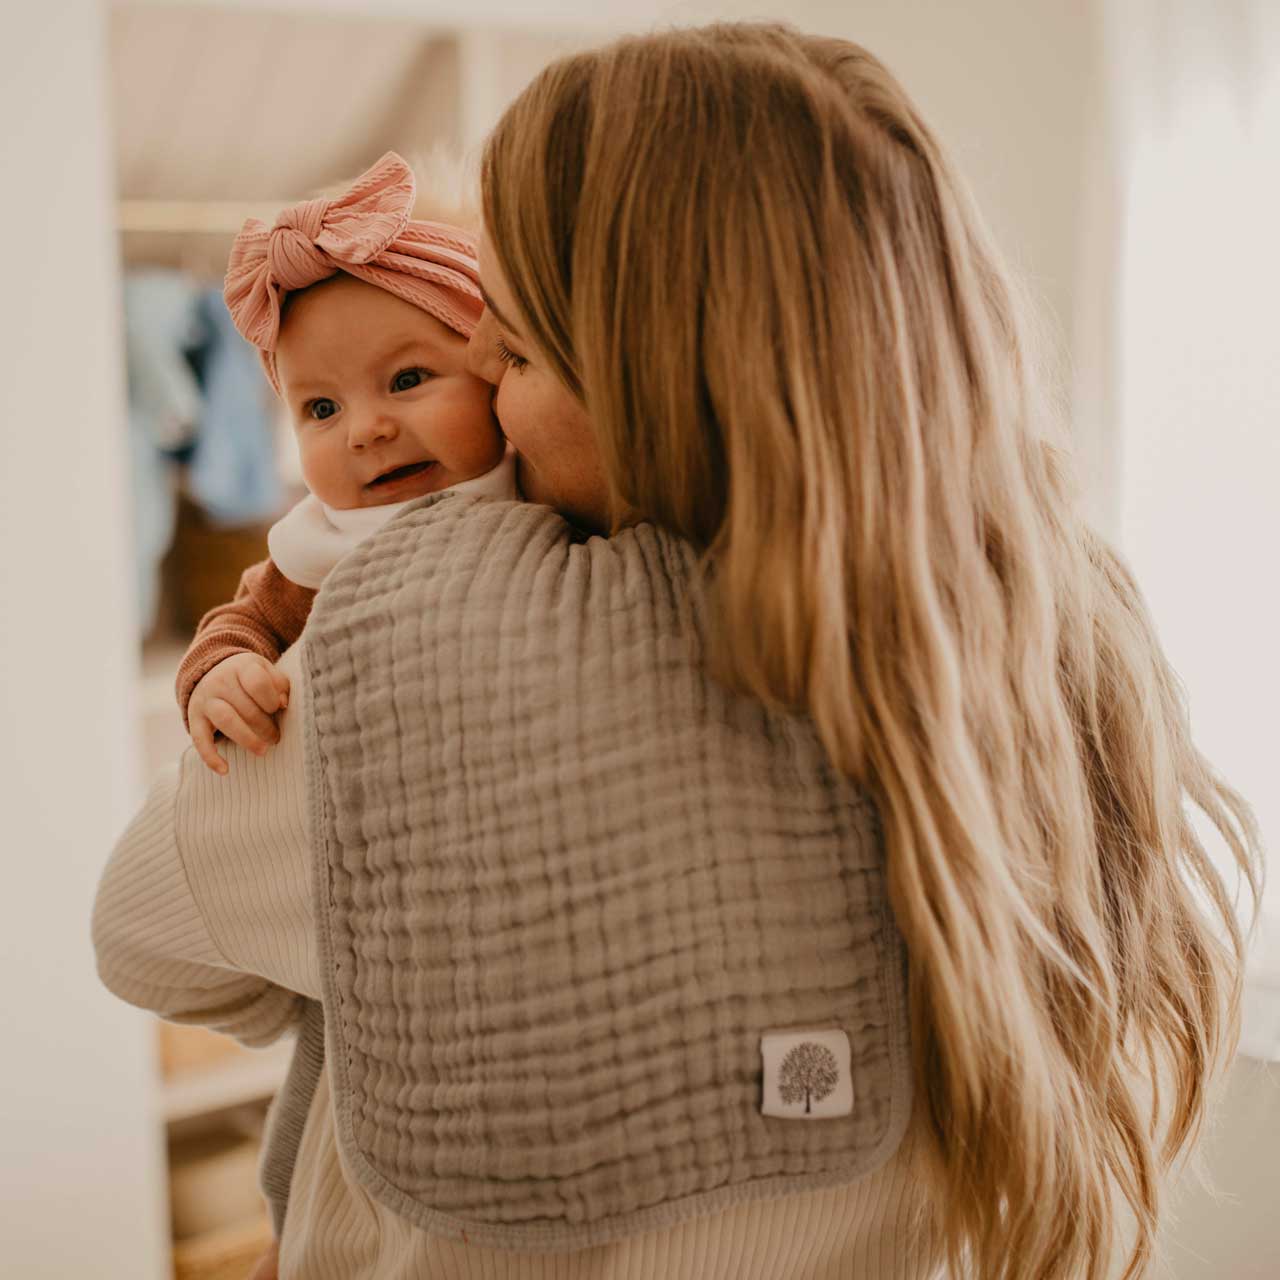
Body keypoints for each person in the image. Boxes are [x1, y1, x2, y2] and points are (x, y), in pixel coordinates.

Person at [92, 22, 1262, 1280]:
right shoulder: (1056, 641)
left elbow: (143, 932)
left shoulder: (427, 647)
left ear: (658, 378)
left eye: (521, 347)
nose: (482, 383)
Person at [177, 151, 514, 775]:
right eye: (322, 407)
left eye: (407, 378)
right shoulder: (318, 555)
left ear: (496, 367)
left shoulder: (542, 486)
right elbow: (239, 621)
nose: (365, 430)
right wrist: (223, 673)